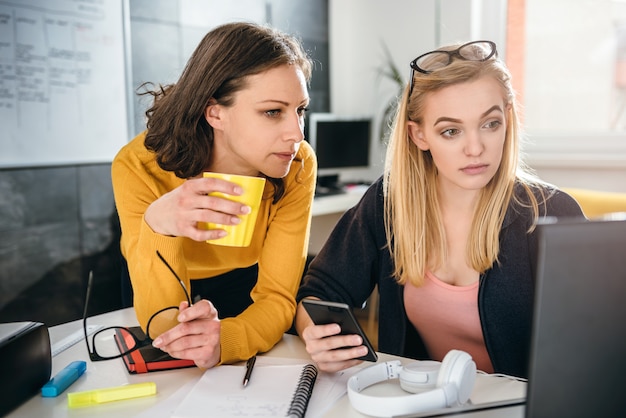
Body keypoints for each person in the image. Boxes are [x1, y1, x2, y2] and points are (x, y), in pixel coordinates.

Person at [294, 40, 584, 378]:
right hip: (420, 402)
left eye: (490, 124)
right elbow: (319, 292)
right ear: (418, 136)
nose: (475, 148)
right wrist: (315, 334)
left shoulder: (551, 213)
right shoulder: (388, 202)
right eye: (451, 131)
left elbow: (592, 344)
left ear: (507, 119)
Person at [112, 22, 316, 369]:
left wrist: (228, 340)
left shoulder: (298, 164)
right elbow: (162, 324)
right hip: (159, 274)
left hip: (244, 282)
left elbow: (278, 298)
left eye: (300, 110)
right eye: (272, 112)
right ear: (215, 112)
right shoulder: (137, 166)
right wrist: (158, 225)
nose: (296, 133)